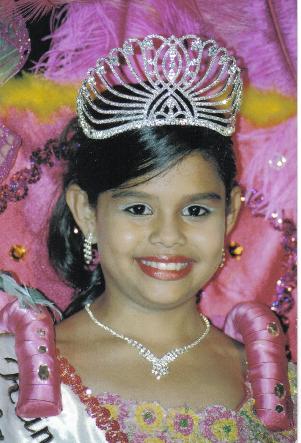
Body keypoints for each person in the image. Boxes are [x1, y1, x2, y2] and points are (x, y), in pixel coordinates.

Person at [0, 34, 296, 442]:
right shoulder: (14, 370)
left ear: (229, 213)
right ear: (86, 212)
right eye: (138, 209)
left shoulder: (277, 383)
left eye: (196, 211)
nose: (168, 236)